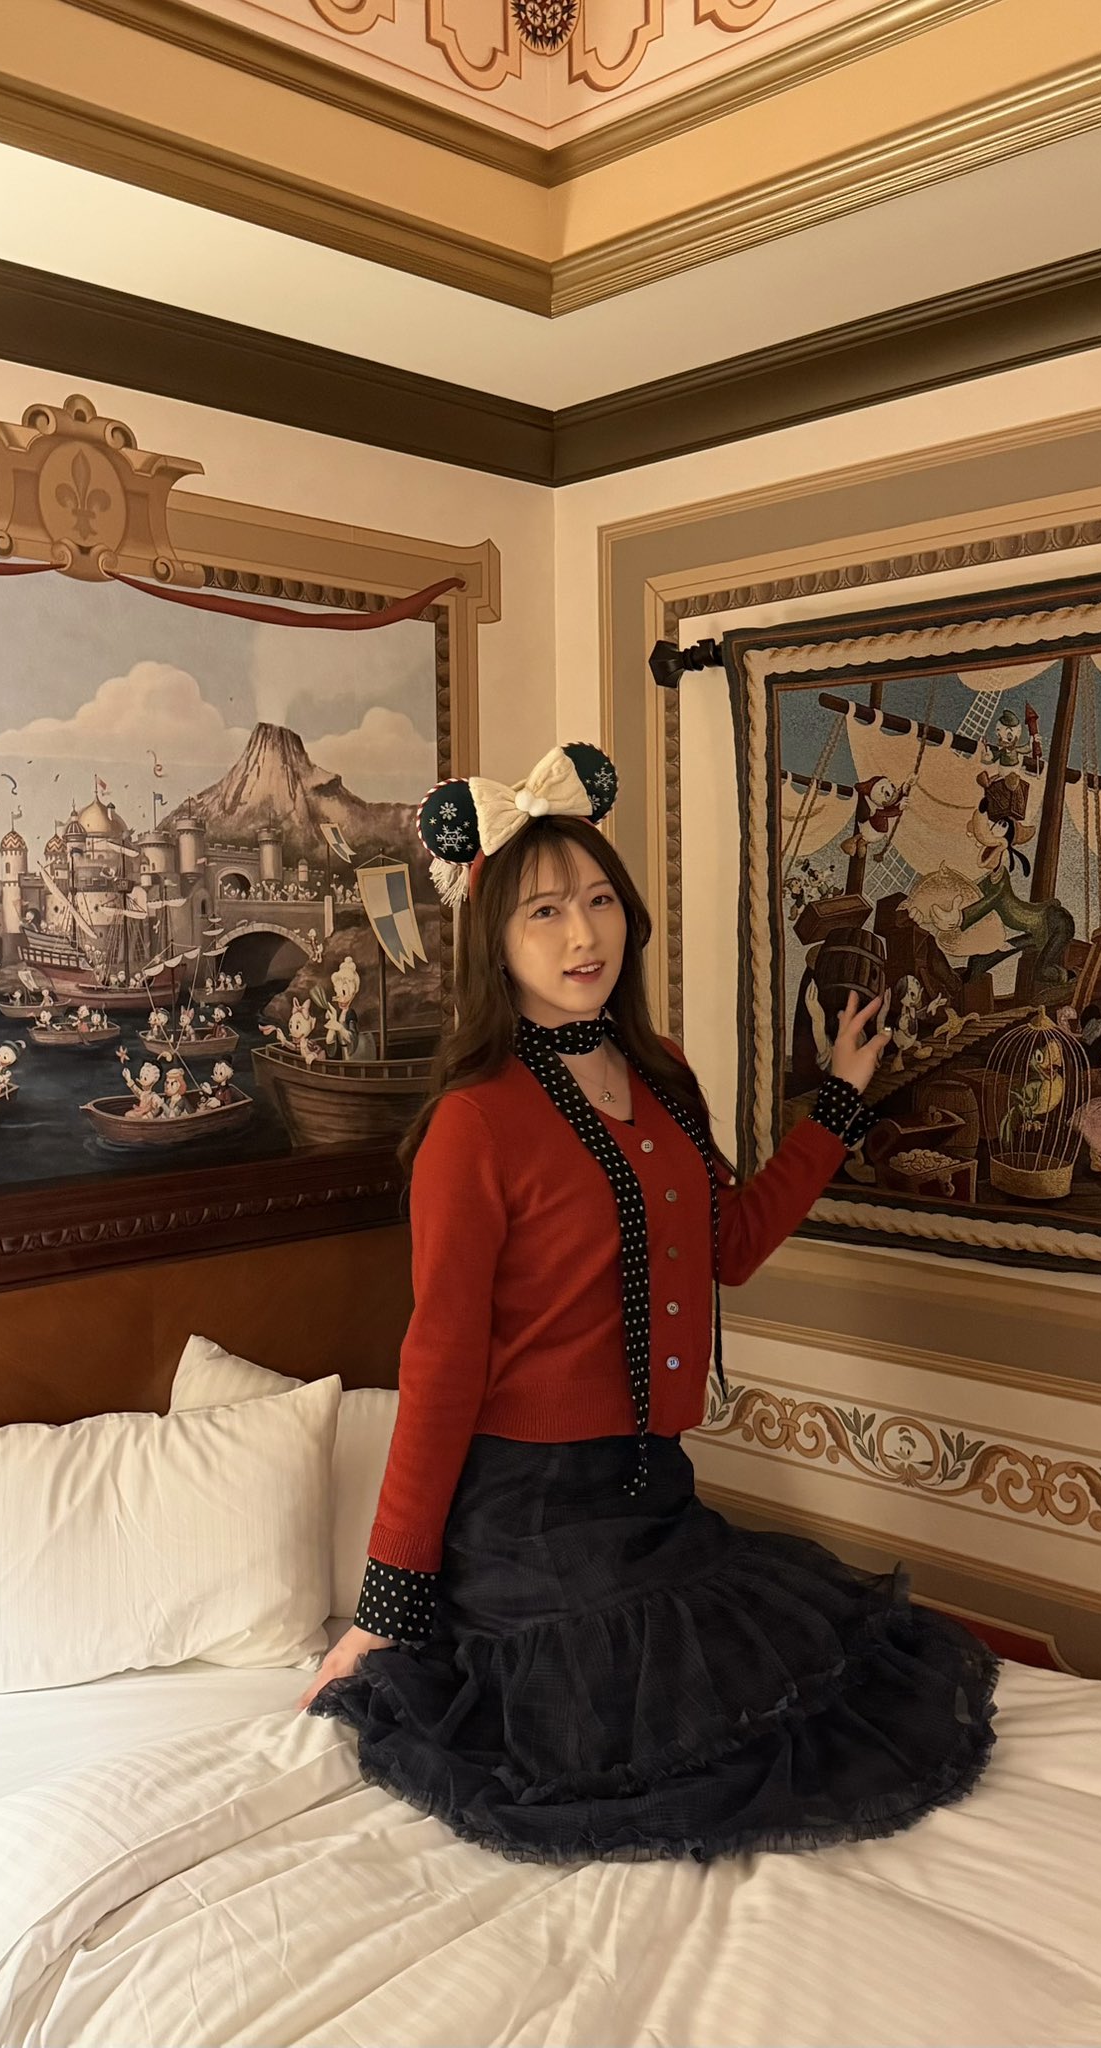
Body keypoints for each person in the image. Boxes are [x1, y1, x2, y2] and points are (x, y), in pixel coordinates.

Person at [299, 740, 999, 1865]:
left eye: (597, 901)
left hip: (655, 1496)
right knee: (646, 1748)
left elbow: (730, 1246)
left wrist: (839, 1106)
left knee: (811, 1686)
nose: (583, 935)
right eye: (542, 913)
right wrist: (385, 1607)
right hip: (530, 1522)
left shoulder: (660, 1071)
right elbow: (439, 1370)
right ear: (494, 939)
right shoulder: (472, 1123)